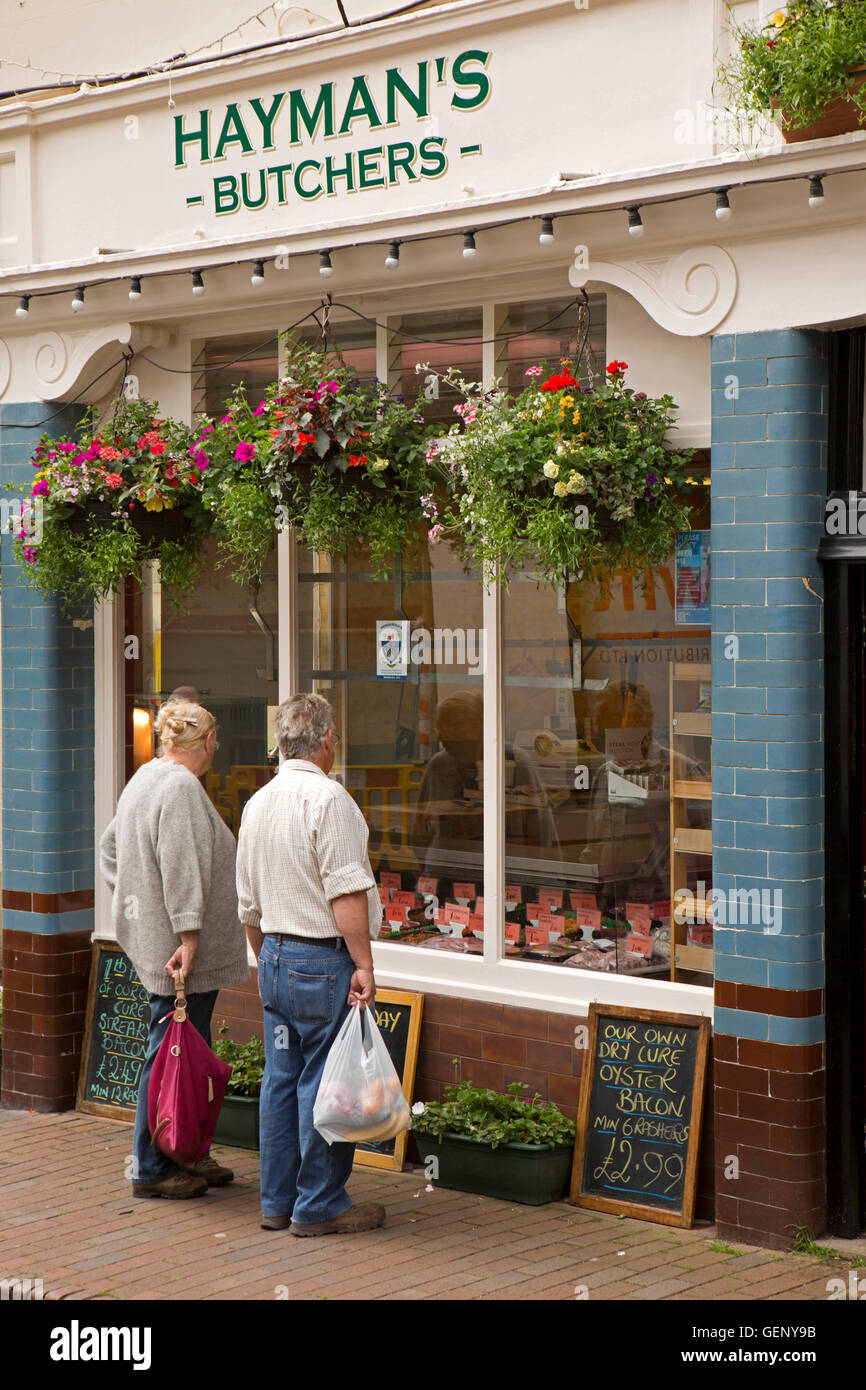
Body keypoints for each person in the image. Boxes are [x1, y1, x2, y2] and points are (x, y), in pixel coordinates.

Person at [236, 692, 385, 1237]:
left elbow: (247, 905)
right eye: (336, 739)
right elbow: (347, 893)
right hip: (322, 962)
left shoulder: (258, 803)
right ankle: (319, 1205)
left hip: (273, 956)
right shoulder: (330, 800)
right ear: (326, 741)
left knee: (281, 1081)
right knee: (325, 1083)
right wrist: (363, 963)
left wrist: (265, 957)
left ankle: (276, 1202)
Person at [99, 700, 249, 1199]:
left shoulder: (145, 777)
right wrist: (185, 933)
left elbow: (109, 849)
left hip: (159, 939)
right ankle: (151, 1168)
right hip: (180, 950)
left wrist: (134, 903)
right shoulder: (182, 787)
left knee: (179, 1052)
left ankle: (184, 1149)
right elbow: (181, 864)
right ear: (206, 742)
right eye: (216, 742)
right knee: (168, 1053)